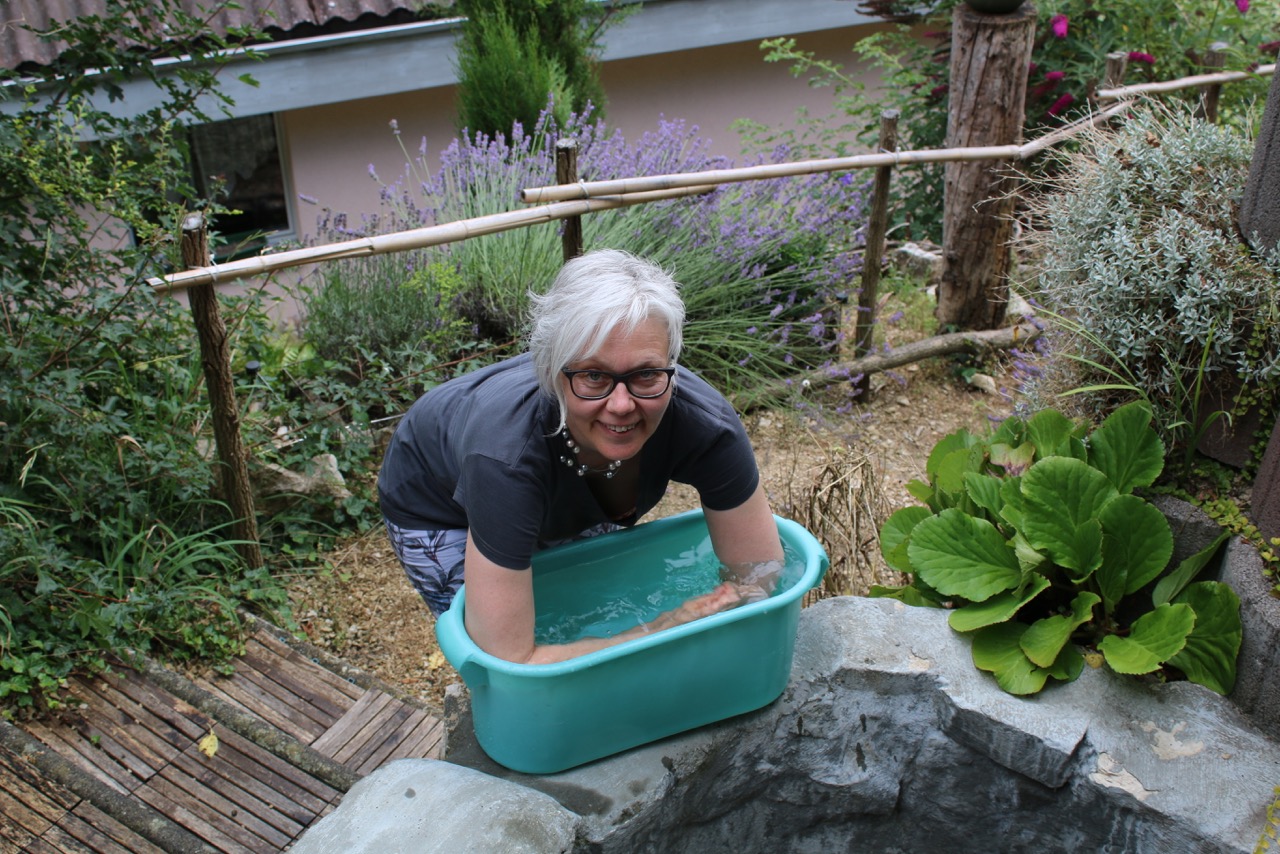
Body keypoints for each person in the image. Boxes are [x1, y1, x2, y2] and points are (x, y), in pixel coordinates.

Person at [378, 248, 784, 664]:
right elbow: (509, 660)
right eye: (593, 375)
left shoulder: (708, 427)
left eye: (646, 373)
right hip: (436, 502)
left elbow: (760, 570)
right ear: (553, 373)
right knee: (505, 638)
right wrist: (666, 626)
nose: (622, 405)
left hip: (557, 474)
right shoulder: (505, 459)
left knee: (584, 612)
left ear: (672, 366)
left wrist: (727, 618)